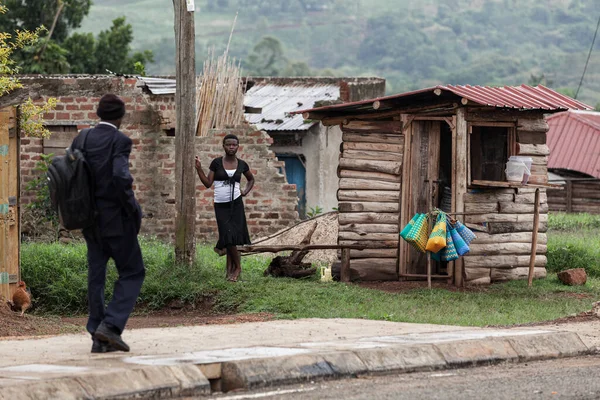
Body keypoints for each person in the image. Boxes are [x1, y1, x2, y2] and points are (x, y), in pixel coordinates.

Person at [71, 94, 145, 353]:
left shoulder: (83, 137)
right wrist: (133, 209)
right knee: (133, 271)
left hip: (88, 220)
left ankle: (97, 334)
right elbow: (120, 177)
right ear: (120, 117)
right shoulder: (120, 140)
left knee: (97, 275)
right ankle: (111, 326)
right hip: (116, 220)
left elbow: (72, 174)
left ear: (98, 113)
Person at [195, 134, 255, 282]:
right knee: (227, 236)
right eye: (228, 145)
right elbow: (208, 183)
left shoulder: (242, 165)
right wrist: (199, 169)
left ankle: (231, 271)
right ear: (223, 146)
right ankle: (237, 268)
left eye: (234, 145)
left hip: (236, 204)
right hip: (221, 205)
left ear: (238, 146)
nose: (231, 147)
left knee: (232, 237)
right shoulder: (216, 163)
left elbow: (251, 179)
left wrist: (245, 191)